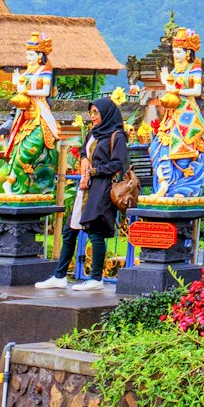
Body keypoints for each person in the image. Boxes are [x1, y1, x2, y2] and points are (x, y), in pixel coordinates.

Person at [38, 97, 129, 291]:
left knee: (94, 231)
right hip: (86, 186)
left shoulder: (116, 136)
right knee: (69, 231)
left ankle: (96, 278)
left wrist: (94, 171)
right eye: (91, 112)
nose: (93, 116)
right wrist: (84, 161)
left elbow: (118, 163)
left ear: (107, 114)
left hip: (101, 188)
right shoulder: (92, 134)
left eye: (96, 112)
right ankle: (60, 275)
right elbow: (84, 153)